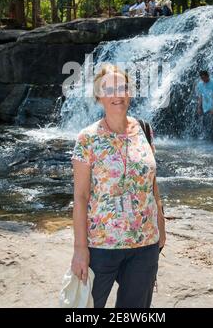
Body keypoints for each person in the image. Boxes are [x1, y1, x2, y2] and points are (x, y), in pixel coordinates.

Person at [70, 63, 166, 308]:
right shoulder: (87, 139)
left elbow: (152, 184)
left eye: (123, 87)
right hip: (102, 245)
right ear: (99, 96)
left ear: (130, 93)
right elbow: (80, 196)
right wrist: (80, 249)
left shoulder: (145, 130)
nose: (118, 94)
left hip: (144, 244)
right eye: (109, 89)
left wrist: (161, 226)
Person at [196, 70, 213, 141]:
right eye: (201, 78)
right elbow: (201, 96)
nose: (203, 79)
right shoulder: (200, 84)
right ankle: (207, 142)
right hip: (205, 108)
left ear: (208, 76)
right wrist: (199, 107)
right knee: (204, 125)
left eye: (204, 77)